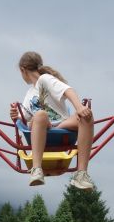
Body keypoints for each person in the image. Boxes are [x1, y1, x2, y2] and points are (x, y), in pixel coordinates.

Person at [8, 51, 95, 190]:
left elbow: (68, 90)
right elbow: (24, 117)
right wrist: (16, 115)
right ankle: (37, 170)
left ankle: (81, 174)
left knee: (87, 116)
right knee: (41, 114)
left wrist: (79, 107)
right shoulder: (29, 93)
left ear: (22, 70)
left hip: (62, 127)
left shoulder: (45, 79)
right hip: (42, 127)